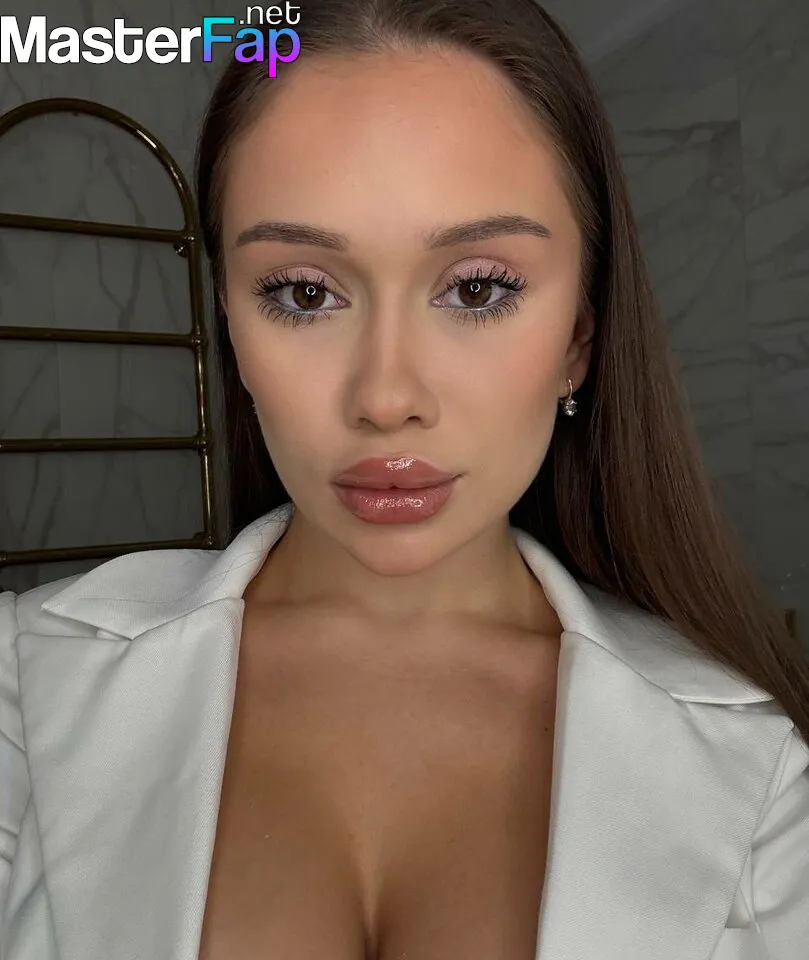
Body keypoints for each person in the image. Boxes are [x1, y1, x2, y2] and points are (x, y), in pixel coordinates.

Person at [1, 1, 808, 958]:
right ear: (230, 326)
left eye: (476, 289)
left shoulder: (760, 774)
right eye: (304, 293)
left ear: (578, 340)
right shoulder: (26, 690)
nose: (386, 398)